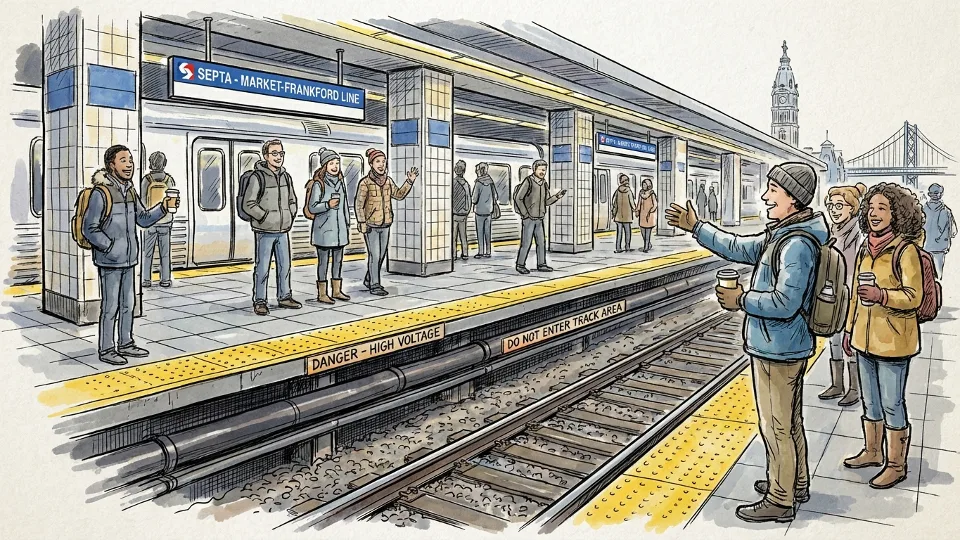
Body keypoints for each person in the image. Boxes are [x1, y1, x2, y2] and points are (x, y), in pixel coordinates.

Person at [667, 162, 827, 523]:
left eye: (774, 189)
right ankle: (794, 482)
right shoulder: (783, 234)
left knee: (776, 426)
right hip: (783, 344)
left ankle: (781, 499)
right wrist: (698, 228)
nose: (765, 195)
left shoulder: (797, 244)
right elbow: (739, 247)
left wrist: (741, 300)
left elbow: (785, 303)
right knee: (789, 421)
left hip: (779, 347)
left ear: (794, 199)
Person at [842, 182, 925, 490]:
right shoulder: (866, 247)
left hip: (893, 340)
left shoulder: (905, 250)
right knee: (870, 401)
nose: (875, 214)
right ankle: (873, 451)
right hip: (864, 338)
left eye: (883, 208)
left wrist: (881, 295)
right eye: (871, 208)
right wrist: (849, 330)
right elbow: (853, 295)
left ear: (897, 214)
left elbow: (913, 296)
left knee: (892, 403)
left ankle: (896, 464)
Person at [82, 145, 176, 365]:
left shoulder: (130, 190)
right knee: (110, 306)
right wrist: (109, 247)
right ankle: (106, 349)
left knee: (128, 304)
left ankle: (126, 343)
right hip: (110, 260)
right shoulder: (101, 192)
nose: (129, 165)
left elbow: (142, 219)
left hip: (129, 258)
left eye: (131, 160)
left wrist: (163, 208)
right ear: (111, 165)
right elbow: (90, 228)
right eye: (123, 160)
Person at [819, 183, 867, 405]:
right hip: (833, 294)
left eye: (840, 205)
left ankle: (854, 388)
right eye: (831, 205)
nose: (834, 210)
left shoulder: (858, 237)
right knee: (834, 340)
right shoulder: (831, 232)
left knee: (850, 343)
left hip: (850, 295)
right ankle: (837, 384)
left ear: (853, 208)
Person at [242, 139, 302, 316]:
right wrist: (265, 217)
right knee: (262, 268)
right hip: (265, 231)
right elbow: (248, 204)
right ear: (266, 156)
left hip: (283, 230)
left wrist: (290, 215)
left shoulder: (286, 176)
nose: (278, 157)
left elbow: (292, 200)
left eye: (281, 153)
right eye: (274, 153)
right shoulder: (257, 177)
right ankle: (260, 301)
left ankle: (285, 297)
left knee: (285, 266)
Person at [355, 148, 418, 296]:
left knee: (381, 255)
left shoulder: (388, 181)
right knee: (375, 255)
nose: (381, 164)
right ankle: (375, 285)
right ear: (371, 164)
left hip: (386, 224)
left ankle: (370, 278)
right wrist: (362, 222)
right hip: (370, 225)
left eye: (383, 161)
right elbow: (359, 204)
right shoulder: (365, 183)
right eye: (378, 161)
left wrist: (409, 181)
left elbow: (399, 195)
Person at [308, 148, 351, 305]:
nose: (335, 166)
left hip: (340, 231)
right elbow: (312, 207)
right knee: (323, 263)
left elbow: (345, 205)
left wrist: (347, 222)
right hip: (324, 232)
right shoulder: (319, 184)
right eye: (331, 163)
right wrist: (327, 204)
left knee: (338, 262)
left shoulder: (340, 182)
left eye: (337, 163)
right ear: (324, 165)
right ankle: (322, 293)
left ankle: (337, 290)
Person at [514, 159, 566, 274]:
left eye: (544, 170)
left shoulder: (544, 183)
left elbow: (546, 201)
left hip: (539, 218)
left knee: (541, 242)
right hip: (529, 219)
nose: (543, 172)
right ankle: (520, 264)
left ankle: (541, 264)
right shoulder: (528, 181)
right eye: (541, 169)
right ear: (534, 169)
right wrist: (525, 214)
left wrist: (557, 196)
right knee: (526, 243)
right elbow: (518, 198)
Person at [139, 151, 175, 288]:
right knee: (165, 254)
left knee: (147, 253)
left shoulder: (146, 180)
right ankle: (165, 279)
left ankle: (146, 280)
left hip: (150, 222)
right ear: (164, 164)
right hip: (166, 221)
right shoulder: (169, 180)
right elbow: (172, 200)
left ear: (150, 163)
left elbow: (142, 201)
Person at [922, 183, 957, 276]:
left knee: (926, 274)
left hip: (924, 246)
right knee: (938, 272)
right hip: (940, 247)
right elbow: (954, 232)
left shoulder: (922, 209)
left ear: (929, 194)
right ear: (941, 194)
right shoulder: (946, 211)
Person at [472, 162, 497, 259]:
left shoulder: (478, 183)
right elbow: (495, 196)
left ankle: (481, 252)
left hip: (479, 211)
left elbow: (474, 198)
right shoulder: (490, 182)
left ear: (480, 171)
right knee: (487, 232)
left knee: (480, 232)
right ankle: (488, 251)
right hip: (489, 211)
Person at [452, 160, 472, 260]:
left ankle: (453, 254)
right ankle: (465, 253)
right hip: (463, 214)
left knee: (453, 236)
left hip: (454, 213)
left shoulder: (452, 183)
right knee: (463, 235)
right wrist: (467, 210)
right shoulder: (466, 184)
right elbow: (469, 198)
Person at [611, 173, 635, 253]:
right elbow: (632, 202)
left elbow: (614, 203)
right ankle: (627, 246)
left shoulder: (617, 191)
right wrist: (636, 210)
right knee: (628, 232)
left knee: (619, 233)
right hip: (627, 216)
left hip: (618, 216)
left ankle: (618, 248)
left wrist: (613, 213)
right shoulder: (629, 191)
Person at [636, 176, 657, 252]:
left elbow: (655, 204)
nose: (643, 186)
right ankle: (648, 244)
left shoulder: (652, 194)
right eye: (643, 185)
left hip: (649, 215)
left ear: (648, 185)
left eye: (645, 185)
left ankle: (646, 247)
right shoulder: (641, 193)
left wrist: (651, 211)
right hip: (642, 215)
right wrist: (637, 210)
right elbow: (639, 203)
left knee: (648, 232)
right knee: (642, 231)